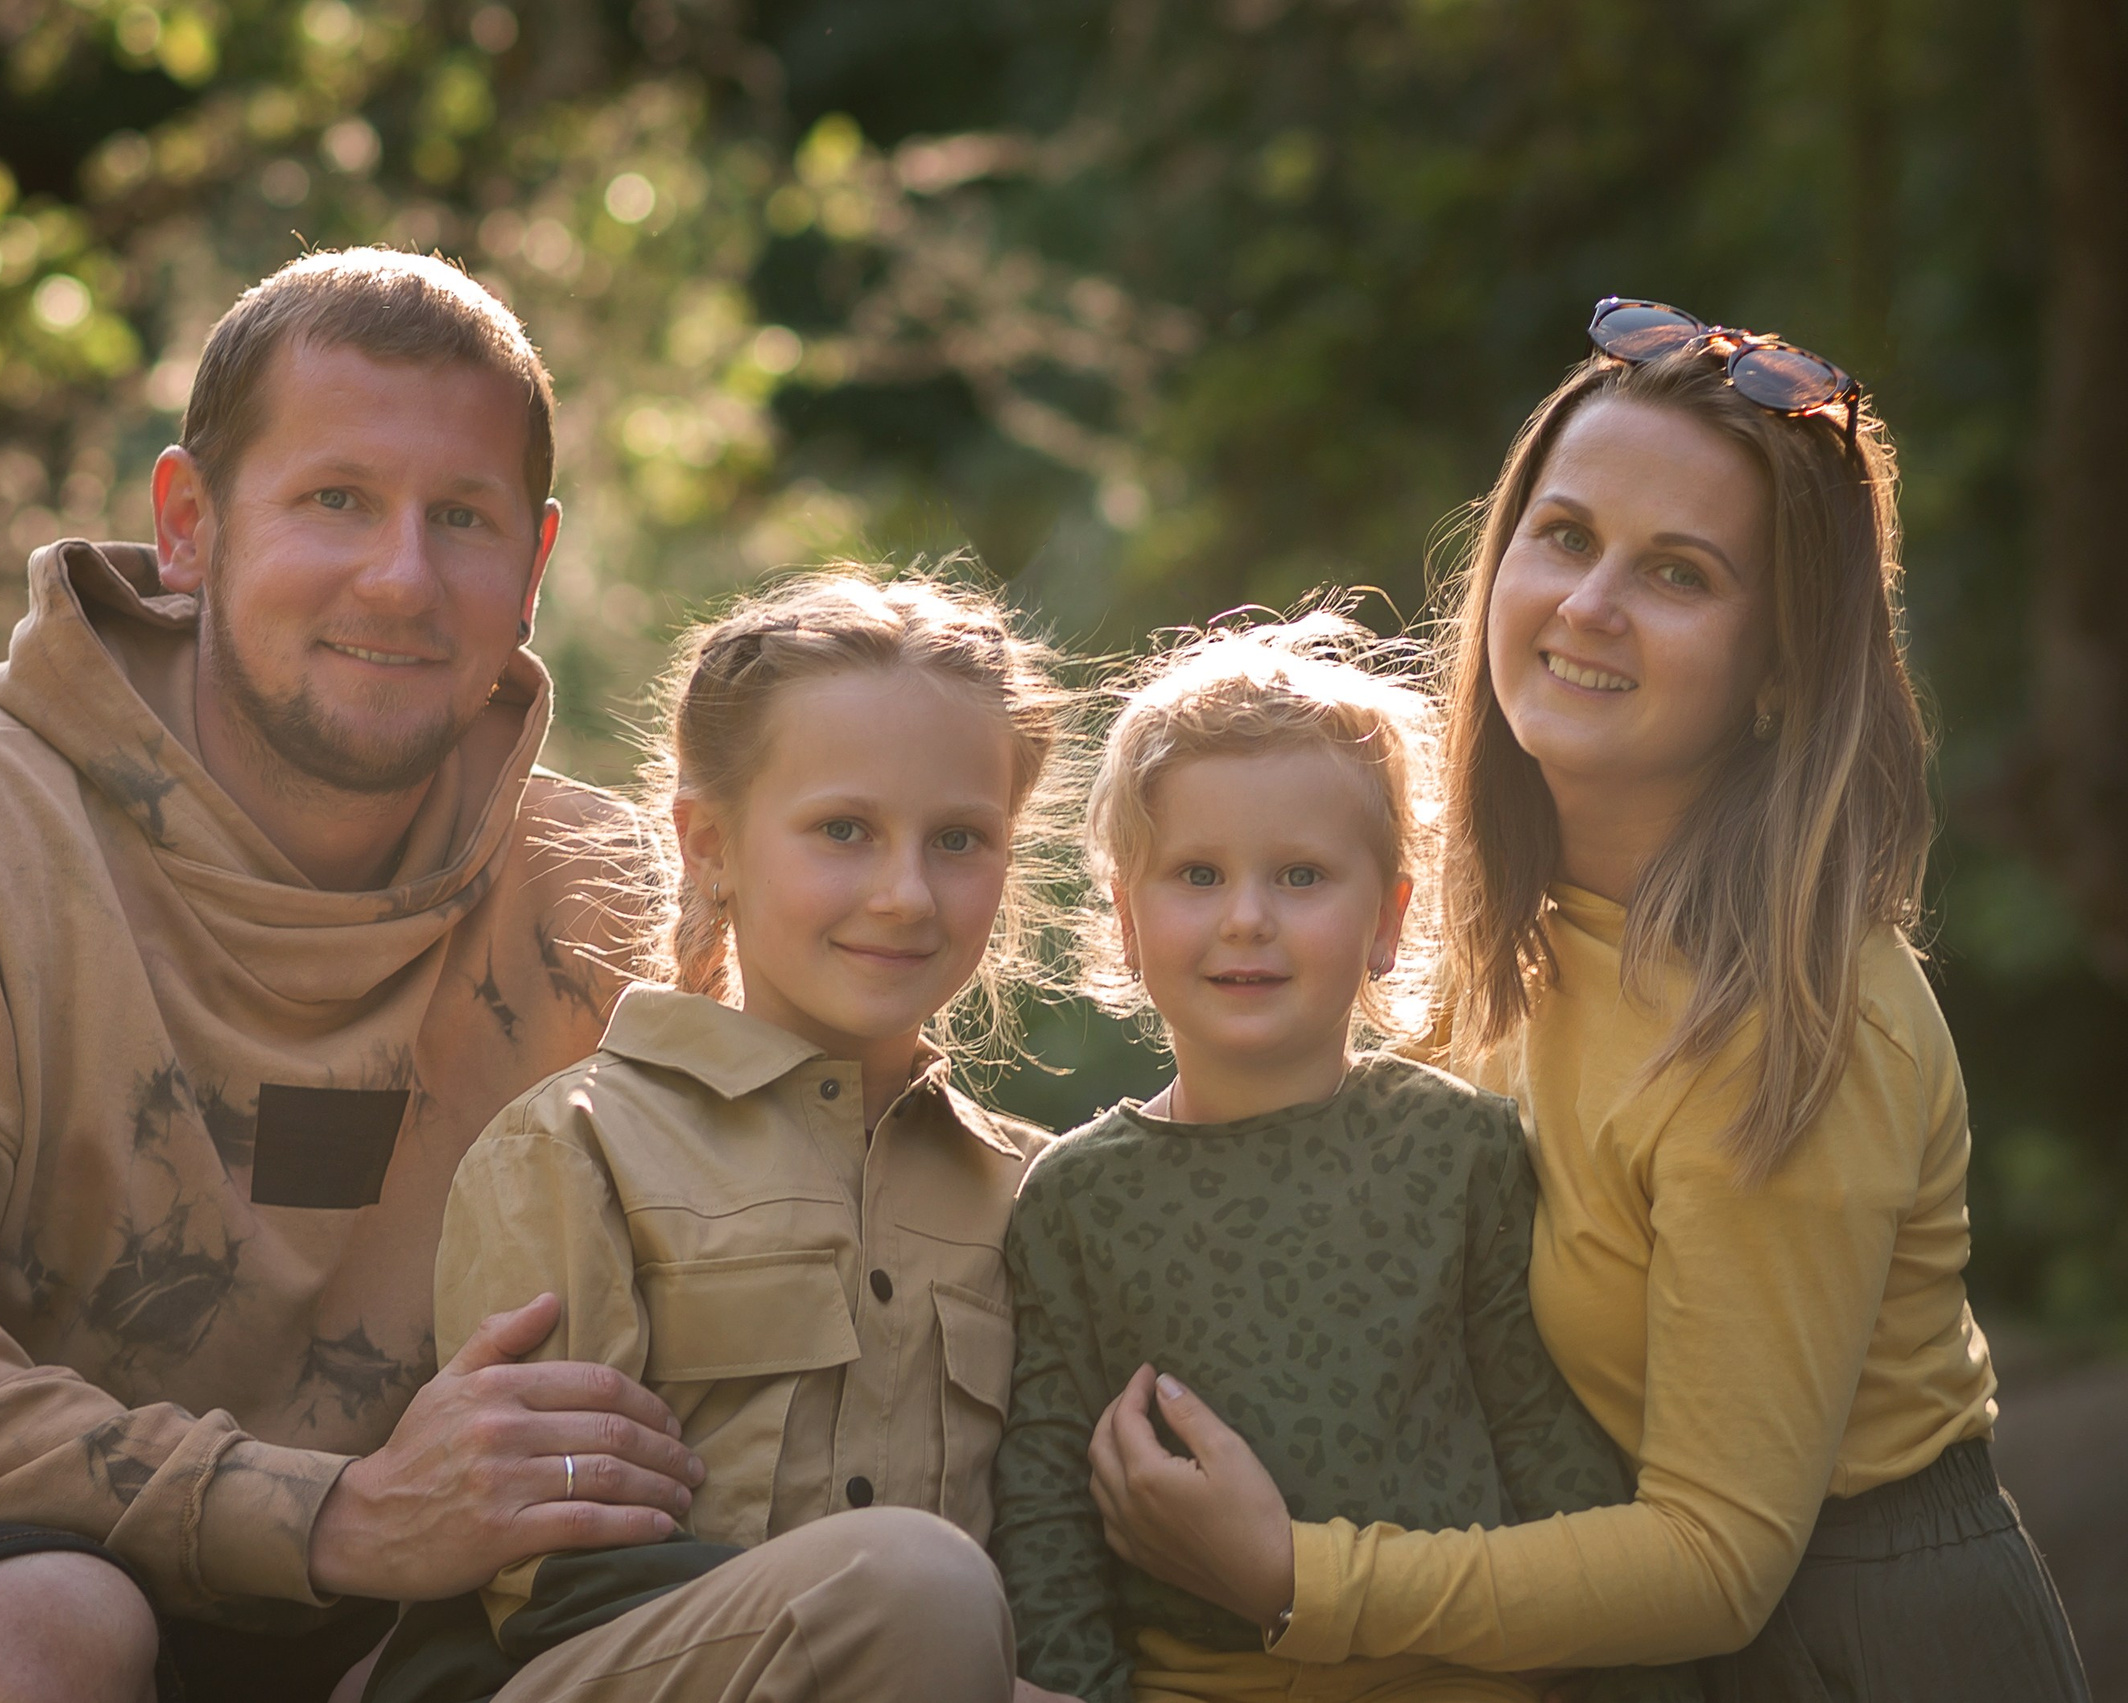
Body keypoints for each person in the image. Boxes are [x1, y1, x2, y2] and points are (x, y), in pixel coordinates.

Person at [0, 246, 787, 1703]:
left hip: (361, 1631)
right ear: (190, 524)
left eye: (457, 517)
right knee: (49, 1618)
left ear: (530, 569)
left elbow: (800, 1249)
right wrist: (333, 1513)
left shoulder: (601, 894)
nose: (400, 576)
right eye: (335, 497)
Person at [1077, 301, 2092, 1699]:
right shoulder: (1494, 934)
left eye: (1678, 573)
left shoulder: (1797, 1017)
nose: (1589, 604)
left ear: (1782, 661)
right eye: (1564, 536)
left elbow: (1720, 1555)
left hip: (1841, 1642)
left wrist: (1296, 1577)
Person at [345, 571, 1073, 1703]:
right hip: (590, 1671)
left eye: (960, 840)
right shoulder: (578, 1148)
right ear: (710, 844)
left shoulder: (1044, 1191)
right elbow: (548, 1574)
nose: (905, 893)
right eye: (843, 829)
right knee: (917, 1584)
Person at [995, 616, 1695, 1703]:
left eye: (1301, 874)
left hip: (1467, 1676)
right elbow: (1044, 1503)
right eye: (1196, 874)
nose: (1246, 918)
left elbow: (1542, 1437)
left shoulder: (1459, 1146)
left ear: (1386, 918)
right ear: (1126, 921)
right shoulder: (1076, 1195)